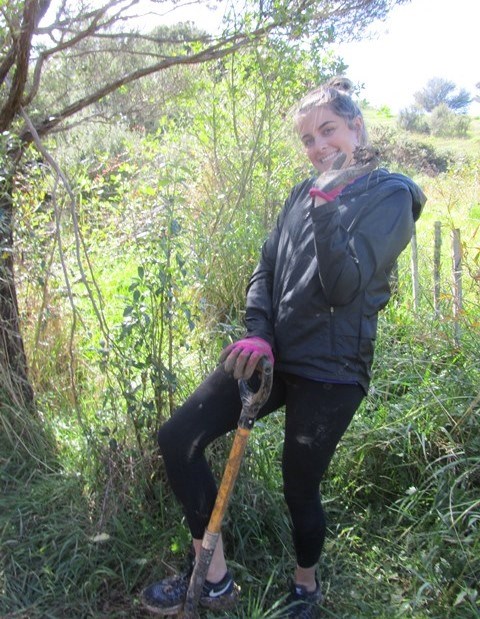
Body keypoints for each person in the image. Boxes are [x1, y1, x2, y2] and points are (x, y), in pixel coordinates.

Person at [141, 77, 426, 618]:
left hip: (333, 369)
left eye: (328, 130)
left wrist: (327, 205)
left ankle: (305, 586)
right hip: (273, 353)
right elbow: (266, 267)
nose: (318, 147)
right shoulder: (302, 192)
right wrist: (258, 332)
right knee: (178, 436)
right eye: (308, 139)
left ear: (356, 127)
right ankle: (211, 576)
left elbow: (344, 287)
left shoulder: (390, 195)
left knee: (299, 484)